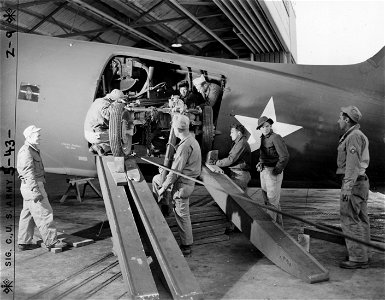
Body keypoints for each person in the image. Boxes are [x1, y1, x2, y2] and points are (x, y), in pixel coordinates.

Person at [152, 114, 202, 256]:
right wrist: (164, 172)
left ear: (177, 129)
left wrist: (164, 187)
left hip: (182, 186)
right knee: (157, 179)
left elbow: (175, 172)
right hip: (186, 182)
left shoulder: (184, 146)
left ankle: (186, 245)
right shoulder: (192, 140)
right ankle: (165, 206)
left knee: (182, 214)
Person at [17, 125, 67, 251]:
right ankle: (52, 242)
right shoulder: (26, 151)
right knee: (45, 213)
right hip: (32, 186)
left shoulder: (32, 149)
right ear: (29, 136)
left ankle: (24, 242)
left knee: (28, 214)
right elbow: (28, 173)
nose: (40, 137)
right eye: (37, 135)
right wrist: (35, 191)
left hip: (29, 186)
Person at [337, 105, 370, 269]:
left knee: (349, 218)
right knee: (361, 220)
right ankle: (363, 253)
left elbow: (352, 166)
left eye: (340, 117)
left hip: (354, 183)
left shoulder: (353, 137)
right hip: (361, 182)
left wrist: (347, 189)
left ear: (347, 119)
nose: (338, 120)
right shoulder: (355, 134)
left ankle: (357, 258)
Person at [256, 116, 289, 227]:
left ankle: (271, 231)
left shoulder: (276, 137)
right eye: (263, 127)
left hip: (272, 172)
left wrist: (276, 170)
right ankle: (280, 227)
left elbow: (284, 156)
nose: (266, 128)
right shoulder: (263, 138)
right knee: (269, 200)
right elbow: (263, 154)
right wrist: (260, 162)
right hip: (264, 171)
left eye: (268, 126)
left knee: (272, 202)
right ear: (260, 128)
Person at [84, 89, 125, 155]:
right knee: (121, 135)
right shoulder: (105, 103)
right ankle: (100, 147)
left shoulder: (98, 101)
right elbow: (108, 115)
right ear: (113, 99)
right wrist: (117, 104)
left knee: (112, 137)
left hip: (88, 133)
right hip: (96, 134)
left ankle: (98, 146)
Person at [214, 124, 251, 191]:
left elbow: (231, 160)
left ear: (239, 133)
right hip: (237, 174)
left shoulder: (241, 143)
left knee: (238, 199)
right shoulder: (238, 143)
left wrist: (216, 162)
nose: (230, 135)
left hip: (239, 176)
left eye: (232, 132)